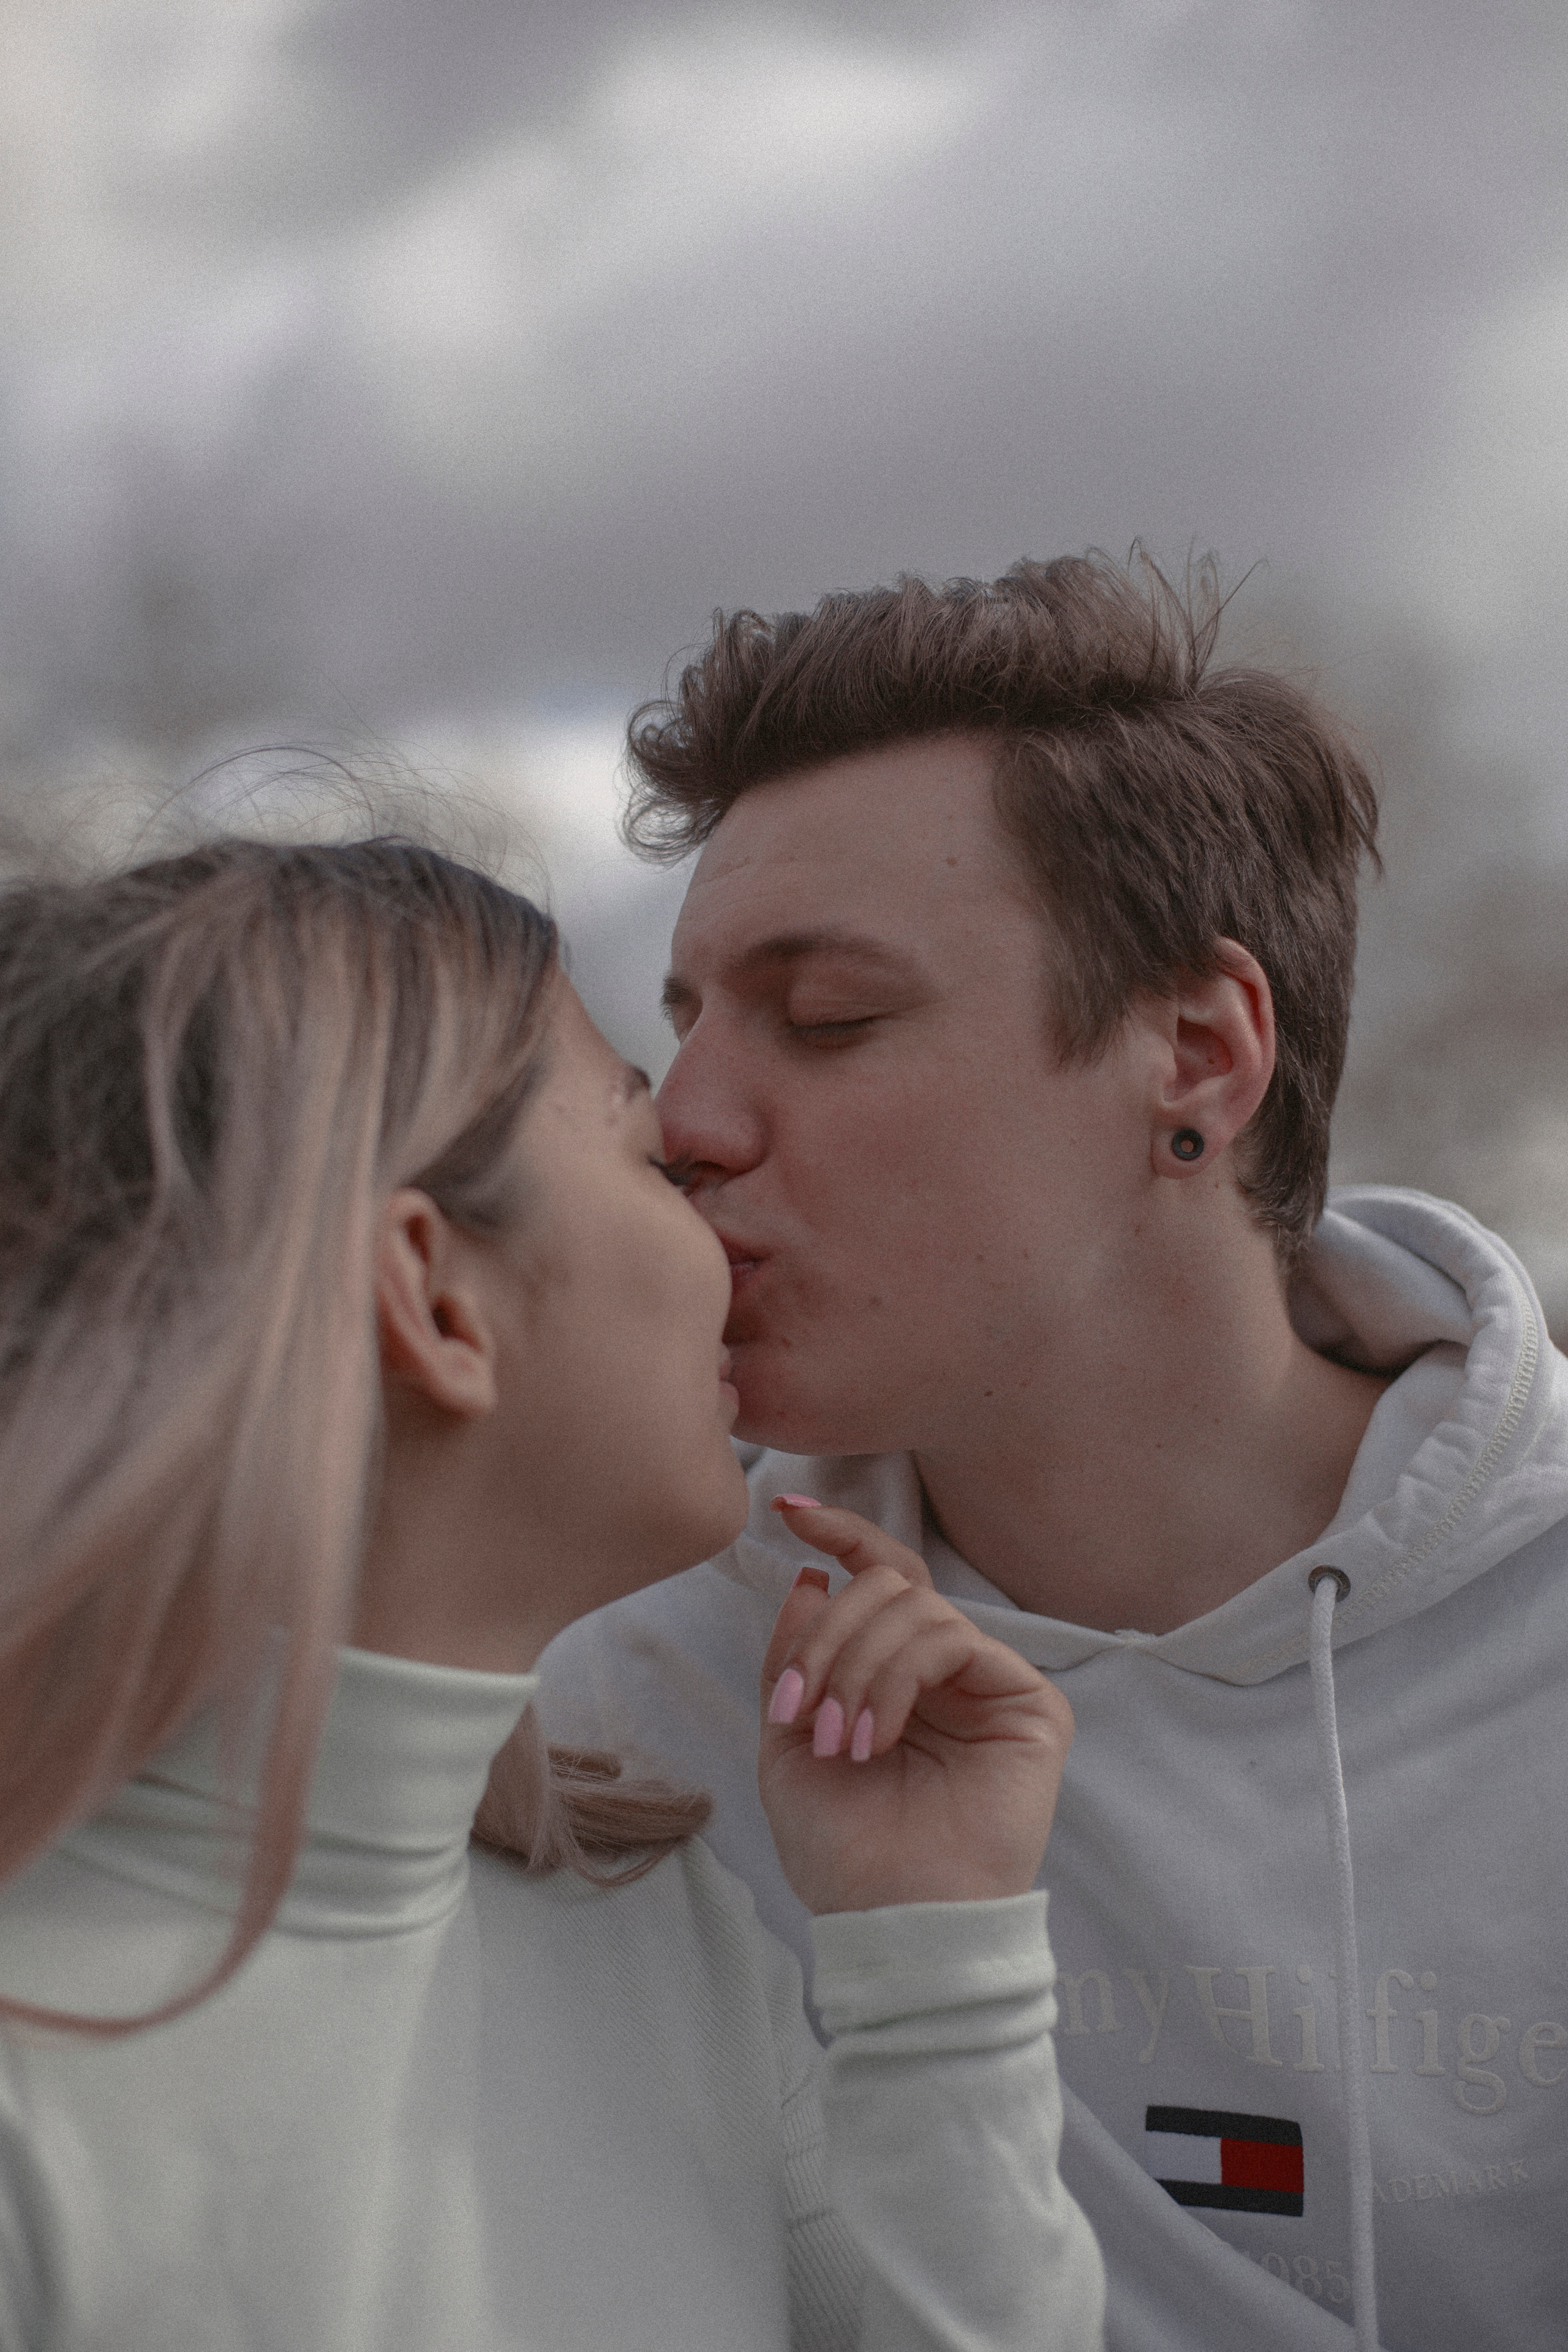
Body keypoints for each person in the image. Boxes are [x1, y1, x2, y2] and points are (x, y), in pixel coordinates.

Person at [530, 554, 1568, 2352]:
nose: (683, 1124)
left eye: (829, 1018)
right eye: (683, 1021)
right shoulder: (634, 1699)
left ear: (1195, 1053)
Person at [0, 839, 1106, 2351]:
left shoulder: (670, 1938)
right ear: (435, 1299)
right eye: (648, 1157)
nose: (715, 1209)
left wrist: (934, 1969)